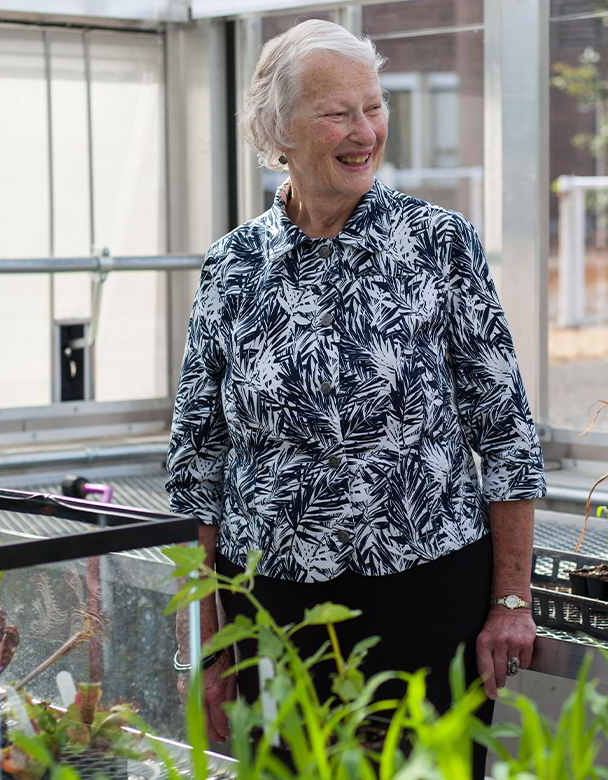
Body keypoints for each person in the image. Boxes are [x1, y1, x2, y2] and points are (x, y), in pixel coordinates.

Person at [165, 18, 546, 764]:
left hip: (427, 594)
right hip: (271, 604)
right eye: (338, 112)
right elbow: (197, 465)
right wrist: (213, 644)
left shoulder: (438, 242)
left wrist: (511, 600)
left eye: (374, 107)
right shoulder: (232, 267)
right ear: (278, 131)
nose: (364, 130)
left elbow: (503, 430)